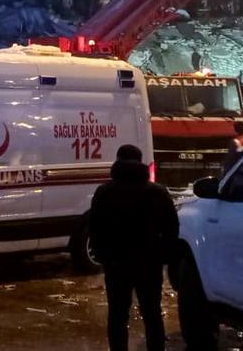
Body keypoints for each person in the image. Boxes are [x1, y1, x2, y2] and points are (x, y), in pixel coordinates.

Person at [89, 144, 179, 351]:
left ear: (118, 161)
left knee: (118, 315)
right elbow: (171, 227)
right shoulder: (157, 191)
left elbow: (95, 227)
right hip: (149, 262)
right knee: (152, 314)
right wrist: (164, 254)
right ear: (140, 162)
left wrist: (103, 255)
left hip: (116, 262)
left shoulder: (104, 192)